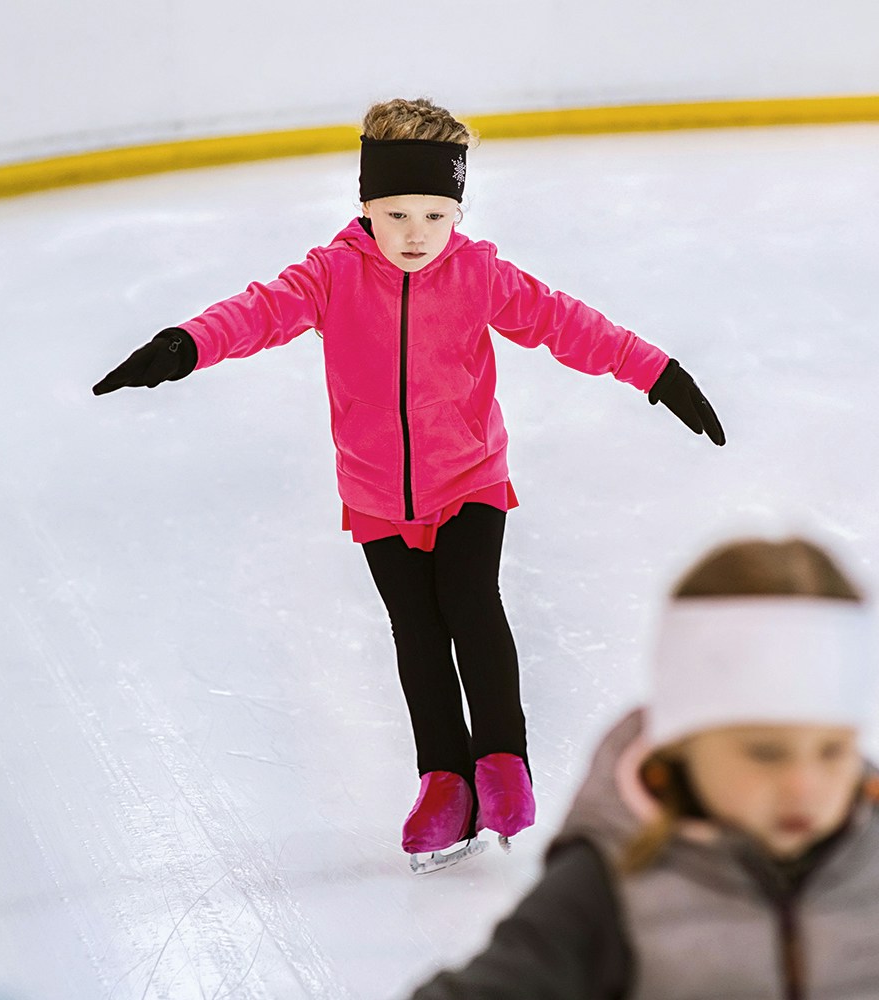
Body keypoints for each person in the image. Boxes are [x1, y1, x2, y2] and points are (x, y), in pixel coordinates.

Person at [92, 97, 725, 863]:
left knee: (470, 604)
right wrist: (185, 345)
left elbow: (567, 323)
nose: (416, 233)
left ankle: (501, 763)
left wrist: (657, 372)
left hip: (468, 477)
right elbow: (255, 313)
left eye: (434, 213)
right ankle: (444, 783)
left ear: (458, 210)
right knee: (417, 634)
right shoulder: (329, 276)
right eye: (395, 214)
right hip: (375, 494)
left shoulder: (480, 274)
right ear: (364, 207)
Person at [409, 537, 879, 999]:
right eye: (764, 753)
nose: (805, 784)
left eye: (832, 751)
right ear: (685, 742)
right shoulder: (615, 882)